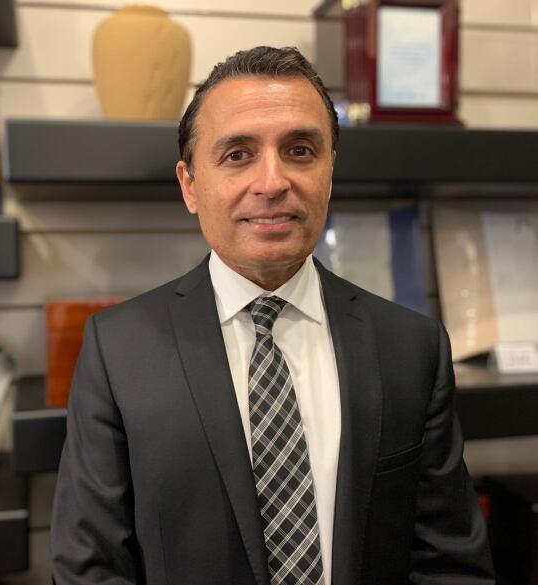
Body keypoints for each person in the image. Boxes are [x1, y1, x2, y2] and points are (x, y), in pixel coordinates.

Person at [51, 46, 494, 585]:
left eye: (300, 150)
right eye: (237, 154)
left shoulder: (412, 348)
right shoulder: (117, 350)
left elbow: (450, 564)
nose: (272, 181)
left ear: (331, 169)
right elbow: (89, 568)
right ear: (190, 184)